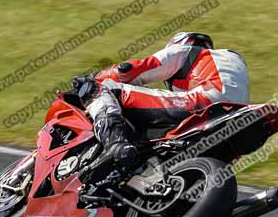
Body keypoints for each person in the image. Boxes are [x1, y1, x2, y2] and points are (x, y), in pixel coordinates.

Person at [72, 32, 250, 182]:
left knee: (104, 88)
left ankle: (115, 143)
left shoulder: (187, 51)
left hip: (203, 102)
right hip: (235, 120)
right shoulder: (232, 63)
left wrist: (92, 78)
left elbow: (129, 71)